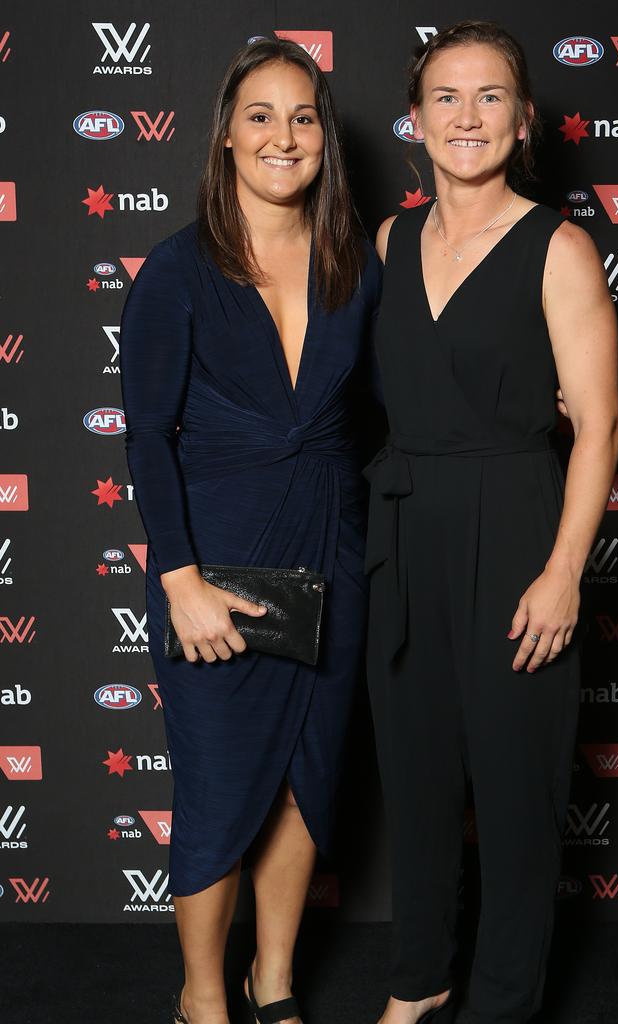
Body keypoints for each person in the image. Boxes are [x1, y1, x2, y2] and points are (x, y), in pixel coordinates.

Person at [365, 21, 618, 1024]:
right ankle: (418, 981)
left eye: (488, 98)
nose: (465, 117)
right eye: (446, 97)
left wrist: (564, 570)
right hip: (403, 526)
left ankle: (503, 1002)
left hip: (516, 522)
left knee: (515, 792)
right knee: (417, 776)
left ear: (522, 122)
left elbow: (598, 425)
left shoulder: (559, 247)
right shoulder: (389, 240)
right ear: (416, 117)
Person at [119, 39, 379, 1024]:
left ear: (325, 139)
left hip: (333, 550)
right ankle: (201, 997)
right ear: (228, 133)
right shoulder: (177, 271)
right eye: (261, 115)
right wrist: (178, 577)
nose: (284, 135)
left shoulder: (353, 263)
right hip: (217, 561)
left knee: (307, 783)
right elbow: (147, 435)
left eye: (304, 116)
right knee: (223, 787)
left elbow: (399, 401)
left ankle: (273, 981)